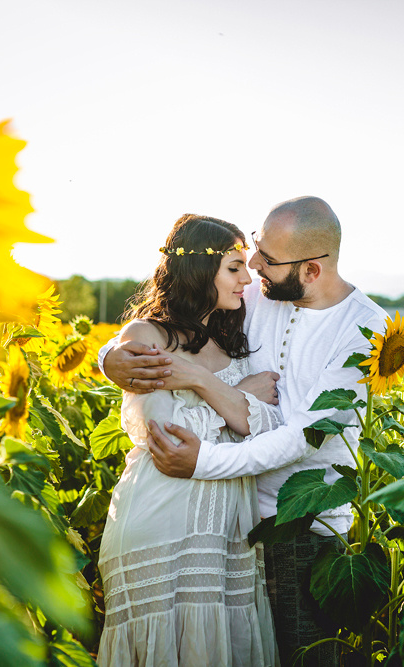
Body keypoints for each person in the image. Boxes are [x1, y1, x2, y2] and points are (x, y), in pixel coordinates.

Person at [99, 197, 389, 665]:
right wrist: (111, 357)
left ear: (311, 270)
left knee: (299, 653)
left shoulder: (364, 329)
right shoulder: (257, 295)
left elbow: (302, 436)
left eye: (266, 260)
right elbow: (173, 319)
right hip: (227, 527)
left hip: (298, 526)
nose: (253, 268)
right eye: (254, 250)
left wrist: (203, 451)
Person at [96, 214, 283, 667]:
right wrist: (237, 400)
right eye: (234, 267)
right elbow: (162, 439)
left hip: (227, 531)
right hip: (162, 516)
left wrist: (213, 391)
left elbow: (265, 424)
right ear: (201, 271)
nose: (247, 278)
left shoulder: (227, 338)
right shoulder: (147, 336)